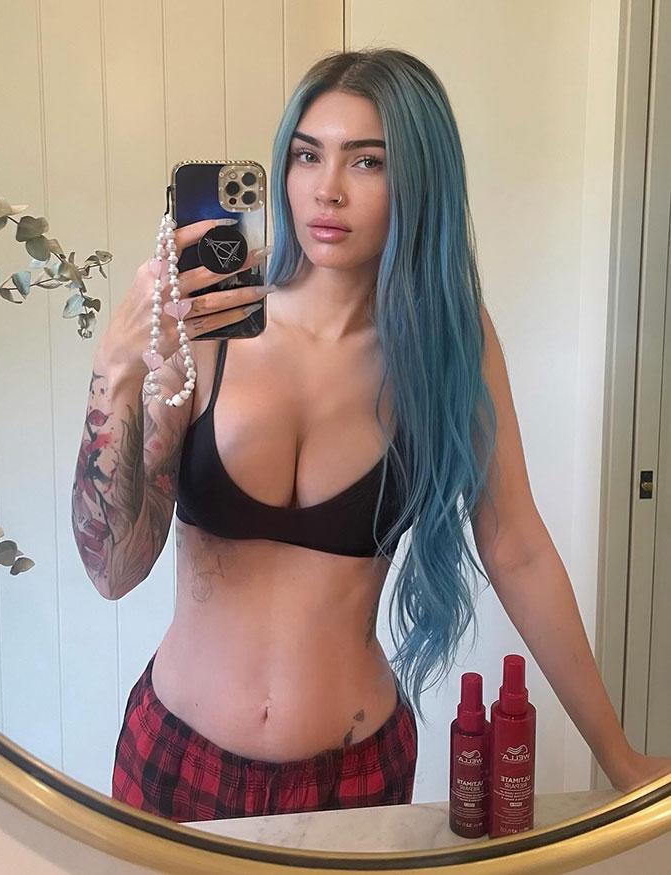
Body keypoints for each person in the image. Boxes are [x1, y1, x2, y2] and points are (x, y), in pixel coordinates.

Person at [72, 48, 671, 823]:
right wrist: (117, 367)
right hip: (174, 765)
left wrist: (618, 756)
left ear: (418, 179)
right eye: (307, 155)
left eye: (367, 161)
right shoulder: (214, 322)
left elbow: (517, 548)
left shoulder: (448, 344)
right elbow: (114, 567)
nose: (328, 188)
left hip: (353, 779)